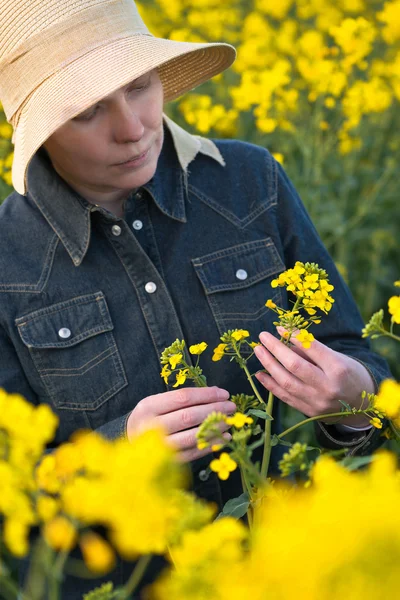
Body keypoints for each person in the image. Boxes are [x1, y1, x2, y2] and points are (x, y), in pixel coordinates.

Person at [0, 0, 391, 596]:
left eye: (139, 85)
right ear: (41, 130)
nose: (132, 127)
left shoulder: (251, 179)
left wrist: (356, 401)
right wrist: (117, 452)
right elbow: (12, 487)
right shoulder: (8, 258)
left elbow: (357, 366)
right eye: (86, 112)